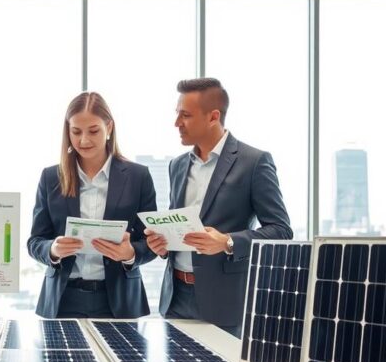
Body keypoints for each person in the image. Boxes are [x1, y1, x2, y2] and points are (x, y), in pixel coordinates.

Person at [146, 78, 292, 336]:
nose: (177, 123)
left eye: (186, 115)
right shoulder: (177, 165)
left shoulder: (254, 162)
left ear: (213, 117)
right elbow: (180, 226)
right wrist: (162, 245)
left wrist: (227, 242)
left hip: (224, 304)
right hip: (176, 299)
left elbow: (281, 230)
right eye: (177, 114)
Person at [29, 92, 159, 319]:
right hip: (63, 299)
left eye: (93, 131)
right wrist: (53, 250)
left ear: (109, 127)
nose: (84, 140)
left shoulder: (138, 177)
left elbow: (151, 242)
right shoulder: (51, 177)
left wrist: (130, 254)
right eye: (76, 132)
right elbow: (35, 241)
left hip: (119, 300)